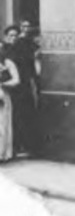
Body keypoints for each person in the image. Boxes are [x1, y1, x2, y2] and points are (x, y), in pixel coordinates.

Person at [4, 23, 39, 157]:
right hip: (9, 87)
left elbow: (31, 68)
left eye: (15, 35)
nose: (13, 38)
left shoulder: (21, 50)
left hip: (22, 87)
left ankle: (22, 146)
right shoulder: (4, 50)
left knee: (22, 116)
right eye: (11, 35)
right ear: (5, 36)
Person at [0, 43, 20, 161]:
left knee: (2, 125)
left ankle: (2, 153)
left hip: (3, 95)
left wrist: (2, 84)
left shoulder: (8, 63)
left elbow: (16, 80)